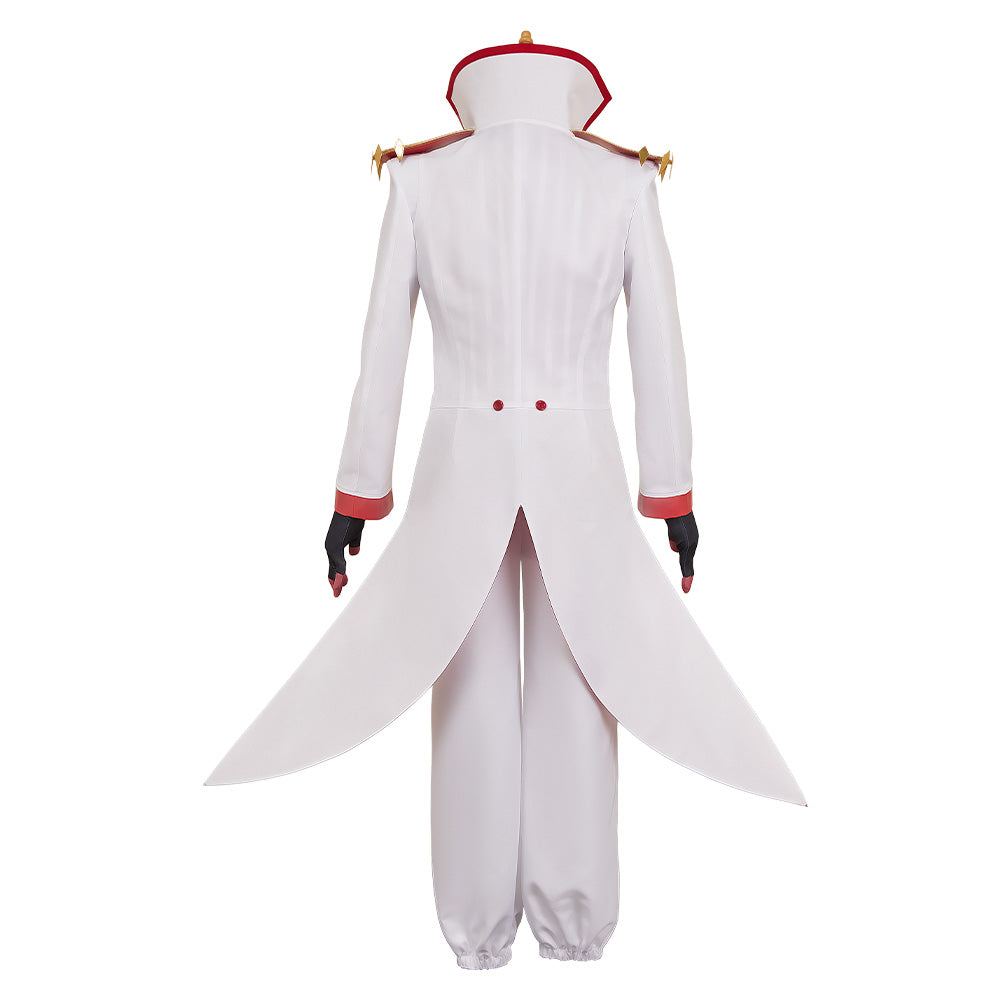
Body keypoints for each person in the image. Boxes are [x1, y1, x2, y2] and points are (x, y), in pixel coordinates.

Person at [207, 32, 805, 970]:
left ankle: (475, 932)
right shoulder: (625, 182)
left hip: (460, 469)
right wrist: (672, 498)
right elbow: (660, 353)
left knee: (470, 701)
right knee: (582, 689)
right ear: (578, 92)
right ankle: (575, 926)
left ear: (471, 93)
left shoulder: (418, 180)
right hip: (582, 471)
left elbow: (381, 355)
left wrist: (355, 498)